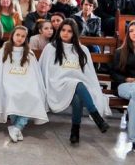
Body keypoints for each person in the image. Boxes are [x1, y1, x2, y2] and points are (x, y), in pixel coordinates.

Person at [40, 20, 110, 144]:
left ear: (75, 33)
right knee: (77, 84)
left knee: (77, 95)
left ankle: (75, 131)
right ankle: (96, 117)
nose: (66, 33)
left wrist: (91, 86)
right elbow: (46, 69)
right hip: (57, 83)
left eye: (69, 31)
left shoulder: (82, 49)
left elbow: (88, 73)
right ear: (59, 31)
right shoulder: (51, 47)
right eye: (63, 30)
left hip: (78, 85)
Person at [0, 26, 48, 142]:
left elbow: (33, 73)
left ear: (26, 38)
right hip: (9, 83)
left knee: (32, 95)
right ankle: (17, 126)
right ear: (12, 35)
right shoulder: (3, 51)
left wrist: (30, 85)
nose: (20, 38)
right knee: (13, 95)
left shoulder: (29, 53)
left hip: (25, 83)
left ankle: (17, 127)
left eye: (23, 36)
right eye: (17, 35)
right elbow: (1, 70)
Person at [112, 22, 135, 150]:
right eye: (131, 30)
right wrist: (127, 79)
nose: (134, 33)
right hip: (124, 85)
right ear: (128, 33)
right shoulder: (121, 51)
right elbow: (114, 73)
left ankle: (134, 138)